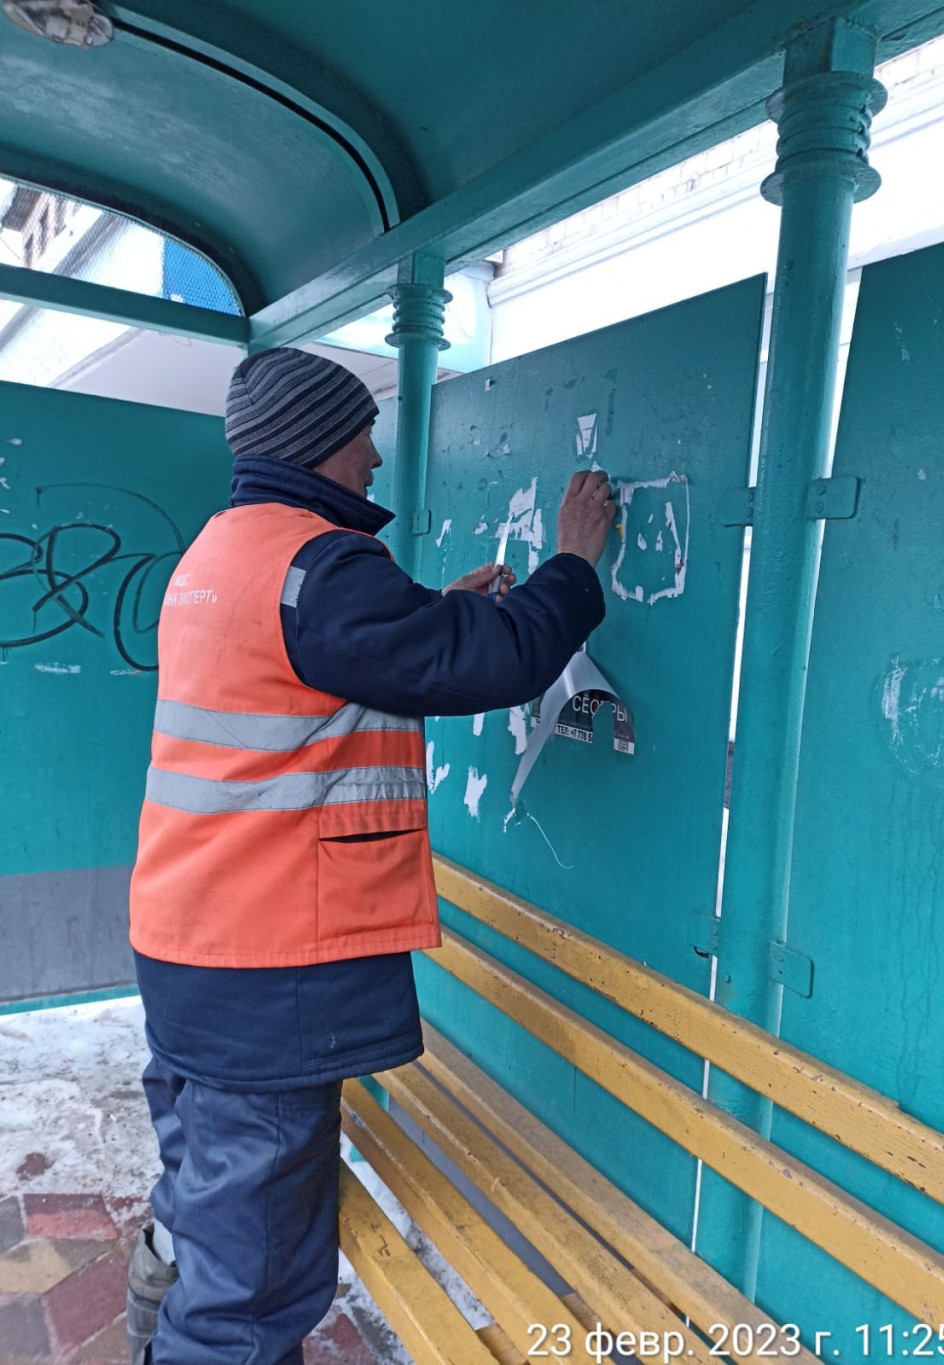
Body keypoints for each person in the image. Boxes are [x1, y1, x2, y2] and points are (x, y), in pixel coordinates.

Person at [126, 345, 617, 1364]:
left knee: (205, 1191)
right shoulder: (322, 566)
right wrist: (572, 563)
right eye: (361, 439)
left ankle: (146, 1319)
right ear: (317, 444)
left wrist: (431, 608)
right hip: (268, 974)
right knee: (252, 1284)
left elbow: (319, 667)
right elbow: (495, 660)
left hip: (191, 947)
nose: (374, 462)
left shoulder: (226, 552)